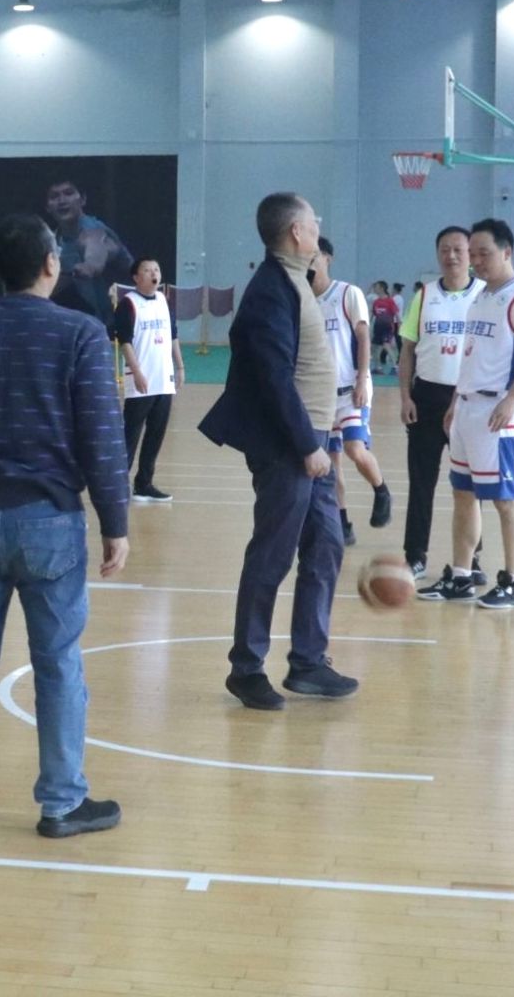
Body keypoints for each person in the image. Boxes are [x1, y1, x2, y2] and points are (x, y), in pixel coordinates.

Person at [0, 213, 128, 838]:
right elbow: (102, 435)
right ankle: (61, 802)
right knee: (58, 662)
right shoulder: (81, 333)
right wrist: (115, 521)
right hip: (49, 520)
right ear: (50, 264)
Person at [198, 193, 356, 711]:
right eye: (313, 221)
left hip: (313, 443)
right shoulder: (270, 290)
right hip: (289, 447)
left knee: (326, 544)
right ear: (295, 232)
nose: (318, 227)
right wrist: (308, 445)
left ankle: (308, 662)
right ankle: (246, 669)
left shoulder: (296, 281)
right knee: (272, 554)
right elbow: (273, 379)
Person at [423, 218, 514, 609]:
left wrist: (513, 398)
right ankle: (462, 576)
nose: (476, 261)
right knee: (463, 493)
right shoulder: (480, 295)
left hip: (499, 411)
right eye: (473, 254)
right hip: (467, 407)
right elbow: (471, 355)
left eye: (484, 253)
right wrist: (455, 401)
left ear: (507, 251)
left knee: (505, 499)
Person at [400, 227, 485, 580]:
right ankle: (415, 555)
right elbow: (407, 350)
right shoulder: (424, 296)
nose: (451, 256)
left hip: (466, 400)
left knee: (469, 485)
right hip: (426, 398)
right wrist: (405, 396)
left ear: (470, 255)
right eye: (444, 249)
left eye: (458, 250)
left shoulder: (484, 295)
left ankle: (472, 558)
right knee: (421, 482)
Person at [309, 239, 392, 546]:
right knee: (331, 464)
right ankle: (343, 523)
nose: (309, 262)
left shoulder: (347, 293)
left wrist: (361, 379)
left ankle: (381, 490)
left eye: (315, 256)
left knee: (354, 449)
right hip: (322, 395)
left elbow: (363, 337)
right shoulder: (303, 301)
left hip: (351, 389)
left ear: (327, 258)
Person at [114, 257, 183, 503]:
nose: (154, 273)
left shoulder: (163, 300)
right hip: (141, 381)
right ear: (136, 277)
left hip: (163, 380)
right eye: (147, 270)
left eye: (157, 269)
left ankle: (144, 484)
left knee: (156, 433)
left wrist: (180, 366)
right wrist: (137, 372)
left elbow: (173, 334)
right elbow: (124, 341)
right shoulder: (128, 304)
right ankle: (117, 485)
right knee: (130, 435)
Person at [44, 179, 133, 326]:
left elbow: (96, 254)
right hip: (99, 321)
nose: (62, 201)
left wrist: (89, 266)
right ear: (48, 207)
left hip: (132, 317)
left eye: (68, 193)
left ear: (83, 200)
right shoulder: (55, 241)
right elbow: (52, 286)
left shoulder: (95, 230)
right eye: (54, 196)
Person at [370, 281, 401, 375]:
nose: (375, 289)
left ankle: (395, 367)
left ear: (382, 288)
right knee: (375, 348)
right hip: (377, 327)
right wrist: (367, 324)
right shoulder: (376, 302)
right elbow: (372, 314)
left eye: (376, 287)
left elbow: (396, 314)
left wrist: (399, 325)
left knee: (386, 345)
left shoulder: (390, 301)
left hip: (387, 327)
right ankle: (378, 368)